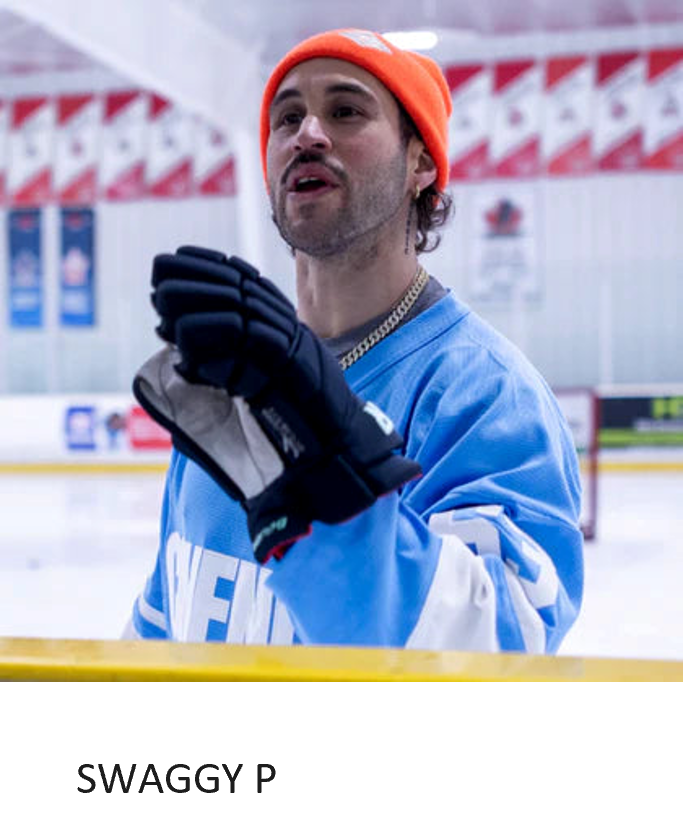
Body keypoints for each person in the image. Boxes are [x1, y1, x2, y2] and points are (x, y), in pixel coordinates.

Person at [125, 28, 584, 652]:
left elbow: (495, 650)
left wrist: (332, 492)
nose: (307, 134)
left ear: (421, 163)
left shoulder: (488, 397)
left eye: (345, 111)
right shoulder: (233, 384)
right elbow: (158, 633)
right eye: (288, 118)